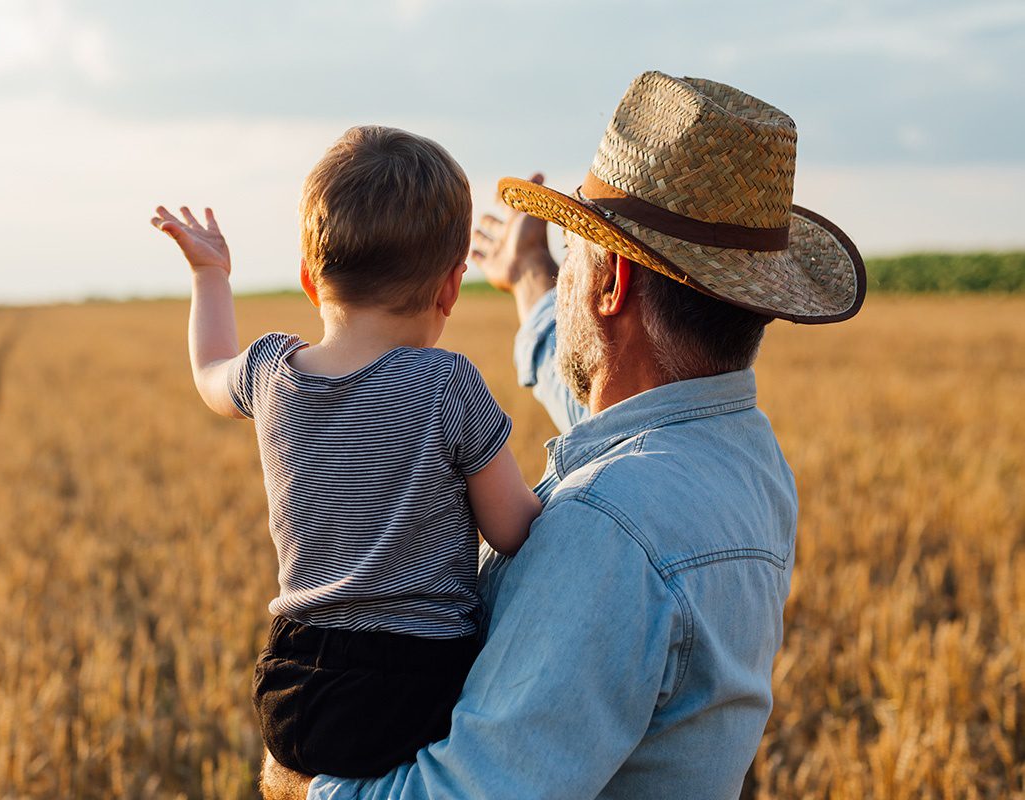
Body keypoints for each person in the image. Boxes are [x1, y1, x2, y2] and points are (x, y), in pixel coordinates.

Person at [263, 70, 866, 799]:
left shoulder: (608, 532)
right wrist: (529, 277)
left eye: (576, 244)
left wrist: (299, 779)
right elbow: (596, 395)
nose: (566, 264)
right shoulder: (742, 456)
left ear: (610, 280)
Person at [150, 125, 542, 779]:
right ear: (451, 287)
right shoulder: (448, 383)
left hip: (294, 689)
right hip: (419, 689)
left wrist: (210, 274)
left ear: (310, 278)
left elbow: (209, 368)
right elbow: (512, 530)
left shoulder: (271, 370)